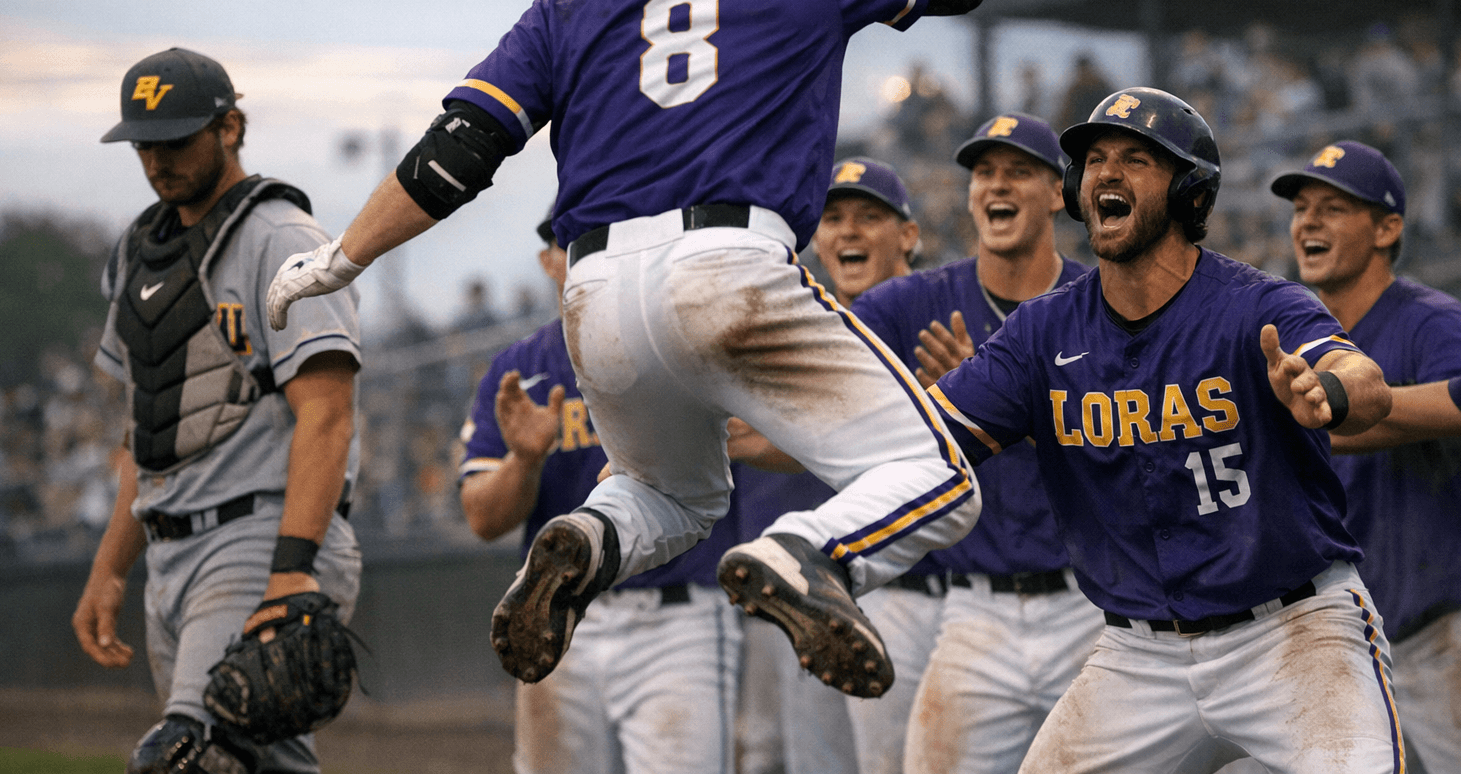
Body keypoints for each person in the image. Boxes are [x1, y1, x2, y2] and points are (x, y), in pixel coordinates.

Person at [267, 0, 990, 699]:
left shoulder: (568, 5)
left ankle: (584, 537)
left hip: (596, 293)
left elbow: (458, 151)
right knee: (936, 478)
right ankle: (811, 554)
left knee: (673, 496)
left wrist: (346, 256)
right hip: (734, 266)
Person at [927, 88, 1399, 773]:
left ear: (1190, 192)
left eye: (1136, 159)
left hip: (1295, 631)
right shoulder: (1041, 330)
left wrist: (1322, 389)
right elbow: (927, 441)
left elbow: (1366, 383)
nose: (1107, 174)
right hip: (1136, 657)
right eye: (1094, 160)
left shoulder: (1258, 305)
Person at [72, 48, 362, 774]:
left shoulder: (282, 238)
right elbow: (148, 432)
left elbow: (327, 413)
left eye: (175, 140)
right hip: (168, 554)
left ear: (230, 126)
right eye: (144, 143)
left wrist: (292, 570)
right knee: (261, 764)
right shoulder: (138, 253)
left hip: (260, 537)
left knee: (187, 757)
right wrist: (110, 570)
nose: (157, 160)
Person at [840, 115, 1097, 774]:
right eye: (984, 172)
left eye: (1018, 171)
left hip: (1091, 607)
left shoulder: (1101, 303)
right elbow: (805, 368)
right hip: (974, 609)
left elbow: (1131, 452)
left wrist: (1000, 405)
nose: (996, 185)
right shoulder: (910, 303)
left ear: (1059, 194)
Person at [459, 210, 744, 774]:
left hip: (677, 620)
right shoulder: (520, 368)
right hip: (559, 618)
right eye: (573, 243)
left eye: (607, 237)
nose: (593, 253)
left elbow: (776, 444)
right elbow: (483, 519)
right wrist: (524, 458)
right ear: (548, 261)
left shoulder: (687, 343)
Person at [1270, 140, 1461, 772]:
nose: (1309, 222)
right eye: (1301, 207)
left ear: (1388, 228)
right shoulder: (1296, 340)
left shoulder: (1431, 321)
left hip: (1435, 632)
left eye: (1333, 207)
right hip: (1334, 643)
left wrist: (1337, 410)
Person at [727, 157, 919, 774]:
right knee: (799, 758)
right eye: (833, 217)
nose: (848, 231)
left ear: (908, 234)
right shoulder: (797, 325)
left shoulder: (942, 313)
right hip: (807, 581)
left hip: (931, 590)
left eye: (868, 216)